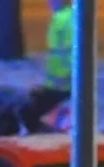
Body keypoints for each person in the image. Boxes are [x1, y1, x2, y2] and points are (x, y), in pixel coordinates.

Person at [19, 0, 74, 132]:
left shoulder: (65, 19)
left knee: (29, 112)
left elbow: (69, 52)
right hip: (58, 83)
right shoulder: (62, 17)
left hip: (64, 85)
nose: (49, 3)